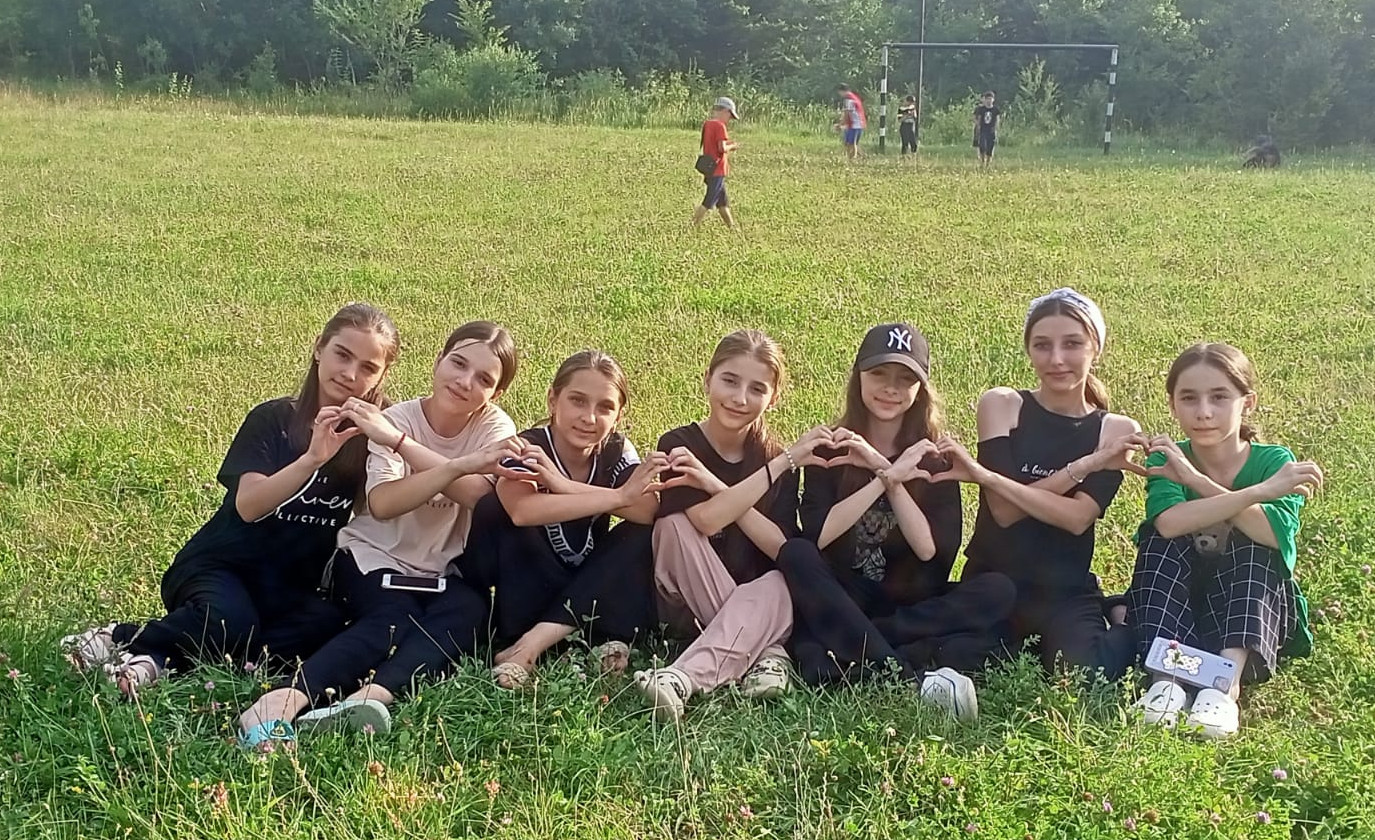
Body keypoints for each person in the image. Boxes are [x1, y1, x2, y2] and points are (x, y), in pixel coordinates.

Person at [61, 303, 400, 697]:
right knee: (229, 624)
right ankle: (120, 636)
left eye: (368, 367)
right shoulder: (273, 419)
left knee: (323, 629)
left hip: (291, 585)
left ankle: (159, 661)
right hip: (222, 566)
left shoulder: (372, 436)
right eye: (342, 354)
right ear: (318, 348)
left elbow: (385, 501)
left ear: (382, 375)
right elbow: (249, 506)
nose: (350, 374)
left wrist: (394, 441)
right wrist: (312, 459)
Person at [236, 321, 523, 750]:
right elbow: (384, 502)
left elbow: (479, 496)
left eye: (484, 379)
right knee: (393, 619)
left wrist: (403, 446)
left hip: (443, 570)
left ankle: (368, 699)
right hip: (373, 556)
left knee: (470, 612)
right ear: (438, 361)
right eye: (458, 364)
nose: (465, 382)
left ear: (496, 394)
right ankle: (280, 702)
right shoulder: (395, 419)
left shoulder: (493, 427)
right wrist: (455, 463)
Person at [776, 323, 1016, 721]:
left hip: (912, 601)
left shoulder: (935, 457)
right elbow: (819, 538)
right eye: (879, 374)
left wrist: (896, 480)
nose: (891, 388)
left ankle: (857, 648)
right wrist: (881, 474)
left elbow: (931, 553)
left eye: (905, 379)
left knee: (998, 592)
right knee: (795, 553)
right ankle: (906, 674)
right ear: (859, 377)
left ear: (921, 389)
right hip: (847, 594)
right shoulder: (830, 447)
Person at [935, 289, 1146, 679]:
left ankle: (1121, 616)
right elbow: (1004, 512)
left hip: (1064, 590)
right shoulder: (1002, 405)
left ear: (1096, 349)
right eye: (1042, 345)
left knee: (1084, 676)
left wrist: (987, 477)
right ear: (1029, 350)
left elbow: (1077, 518)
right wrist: (1087, 464)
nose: (1056, 359)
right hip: (992, 582)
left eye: (1072, 344)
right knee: (958, 660)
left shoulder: (1115, 430)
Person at [633, 330, 833, 723]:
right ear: (707, 379)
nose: (740, 398)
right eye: (729, 380)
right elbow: (706, 520)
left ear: (773, 398)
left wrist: (718, 484)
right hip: (687, 601)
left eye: (757, 389)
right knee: (673, 526)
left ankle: (680, 679)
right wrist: (779, 466)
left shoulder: (775, 456)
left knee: (780, 580)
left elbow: (778, 547)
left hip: (759, 598)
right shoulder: (680, 443)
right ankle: (768, 653)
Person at [1129, 343, 1321, 738]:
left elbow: (1272, 534)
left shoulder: (1273, 462)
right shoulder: (1168, 456)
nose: (1203, 412)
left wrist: (1197, 482)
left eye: (1219, 397)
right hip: (1178, 610)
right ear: (1172, 404)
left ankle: (1224, 689)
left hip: (1250, 617)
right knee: (1158, 539)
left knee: (1254, 543)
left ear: (1247, 403)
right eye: (1189, 398)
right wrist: (1258, 493)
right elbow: (1168, 524)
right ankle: (1167, 682)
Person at [482, 350, 665, 689]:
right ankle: (537, 640)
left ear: (619, 415)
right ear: (553, 400)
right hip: (531, 583)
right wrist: (619, 497)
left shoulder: (616, 450)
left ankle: (534, 645)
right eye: (577, 401)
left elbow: (648, 510)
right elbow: (521, 511)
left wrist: (563, 485)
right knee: (497, 510)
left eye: (605, 407)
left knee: (641, 534)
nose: (589, 417)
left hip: (587, 578)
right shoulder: (529, 447)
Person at [692, 96, 741, 229]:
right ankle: (691, 226)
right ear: (725, 111)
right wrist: (733, 146)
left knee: (722, 202)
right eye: (730, 115)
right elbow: (722, 148)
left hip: (709, 168)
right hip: (718, 169)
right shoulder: (720, 126)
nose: (729, 119)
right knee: (708, 201)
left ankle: (732, 228)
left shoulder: (708, 124)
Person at [837, 84, 867, 161]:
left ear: (842, 91)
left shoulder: (849, 100)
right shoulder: (854, 97)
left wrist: (840, 124)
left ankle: (852, 159)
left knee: (851, 144)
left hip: (855, 124)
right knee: (849, 143)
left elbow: (847, 114)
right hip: (856, 123)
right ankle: (862, 157)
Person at [972, 91, 1000, 169]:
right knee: (982, 146)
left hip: (991, 130)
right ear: (985, 99)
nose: (989, 100)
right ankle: (982, 162)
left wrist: (996, 128)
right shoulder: (981, 109)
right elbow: (975, 117)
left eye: (990, 99)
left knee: (990, 148)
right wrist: (978, 125)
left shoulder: (995, 109)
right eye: (987, 99)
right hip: (982, 130)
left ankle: (988, 164)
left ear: (993, 100)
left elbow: (997, 119)